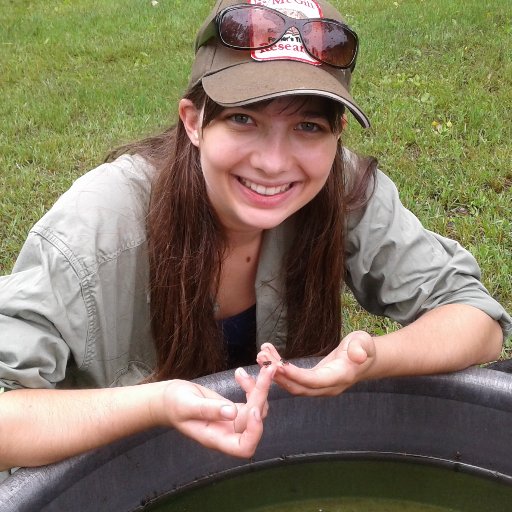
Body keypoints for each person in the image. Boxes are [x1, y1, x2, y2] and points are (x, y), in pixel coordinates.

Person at [0, 0, 510, 477]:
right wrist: (156, 404)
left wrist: (374, 359)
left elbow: (477, 320)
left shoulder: (343, 189)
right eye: (243, 119)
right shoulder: (100, 224)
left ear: (337, 137)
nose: (273, 163)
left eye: (308, 127)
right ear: (194, 122)